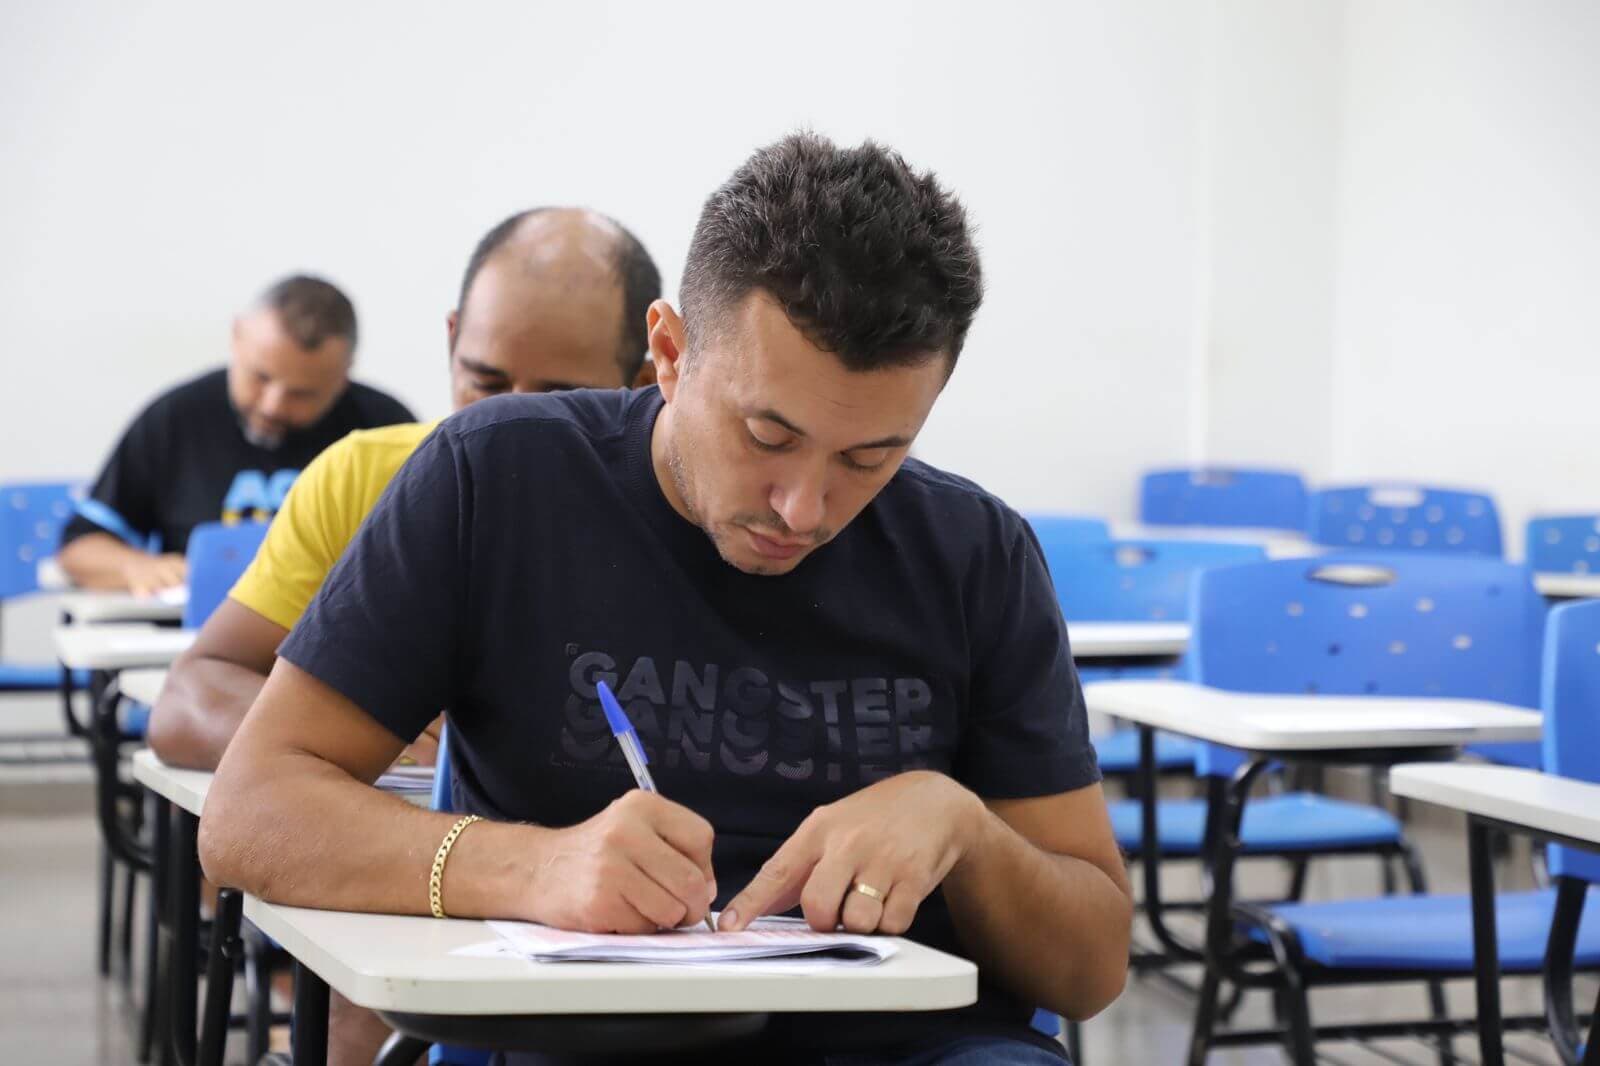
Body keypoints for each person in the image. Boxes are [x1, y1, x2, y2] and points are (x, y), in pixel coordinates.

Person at [200, 134, 1131, 1065]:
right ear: (669, 354)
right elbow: (249, 815)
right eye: (768, 434)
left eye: (870, 457)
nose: (803, 509)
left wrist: (966, 830)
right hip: (576, 1041)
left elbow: (1091, 968)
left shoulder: (976, 554)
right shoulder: (495, 479)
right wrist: (536, 866)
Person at [149, 207, 661, 771]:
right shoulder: (362, 480)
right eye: (484, 382)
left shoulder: (685, 513)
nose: (508, 422)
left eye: (558, 397)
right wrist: (352, 736)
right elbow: (189, 696)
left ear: (643, 383)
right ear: (451, 341)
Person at [57, 275, 413, 594]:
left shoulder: (387, 429)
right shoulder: (175, 417)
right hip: (191, 641)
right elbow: (78, 547)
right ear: (237, 338)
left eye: (302, 393)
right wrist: (138, 567)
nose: (272, 405)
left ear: (343, 374)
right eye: (260, 377)